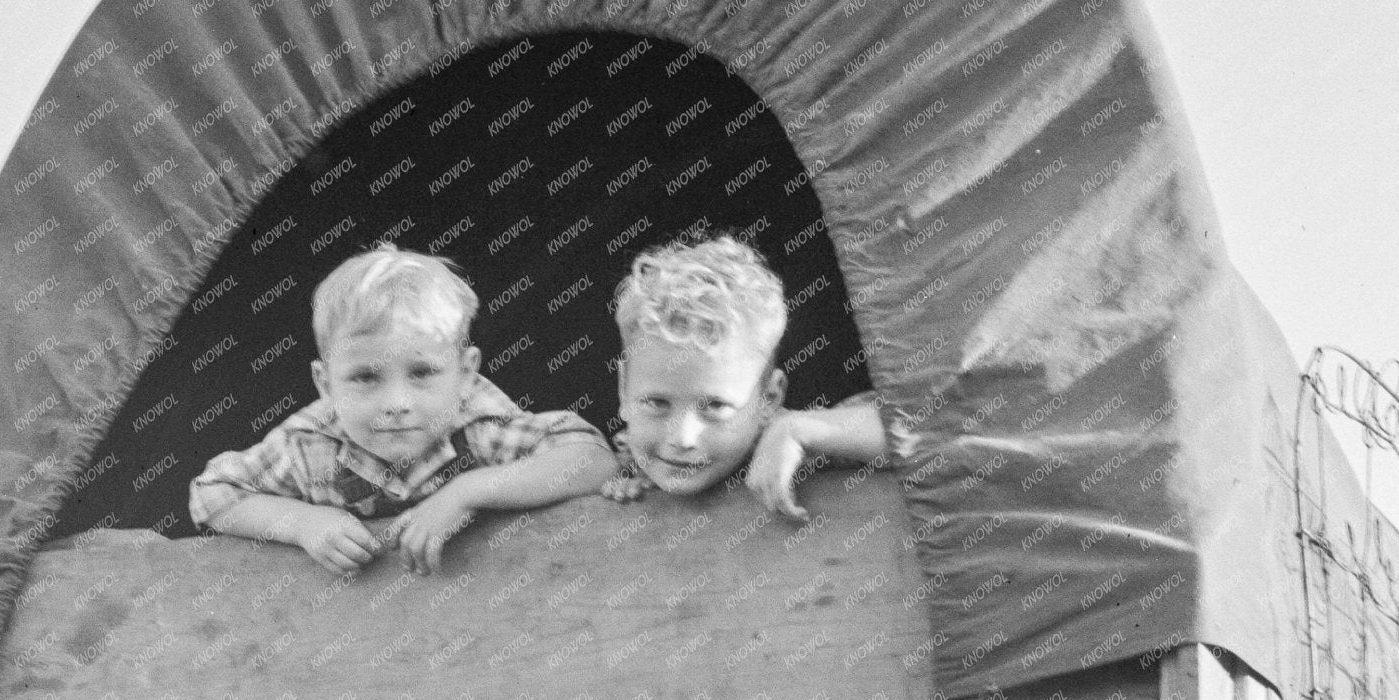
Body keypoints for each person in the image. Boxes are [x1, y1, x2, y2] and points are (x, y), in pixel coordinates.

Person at [189, 246, 615, 573]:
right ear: (326, 384)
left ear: (465, 375)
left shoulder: (478, 425)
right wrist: (302, 524)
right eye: (365, 378)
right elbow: (213, 495)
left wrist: (468, 493)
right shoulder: (310, 445)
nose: (396, 404)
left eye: (422, 372)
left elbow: (593, 460)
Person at [602, 235, 887, 516]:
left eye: (715, 406)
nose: (682, 437)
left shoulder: (792, 445)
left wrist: (797, 431)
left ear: (769, 399)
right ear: (623, 389)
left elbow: (919, 427)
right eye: (656, 403)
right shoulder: (629, 457)